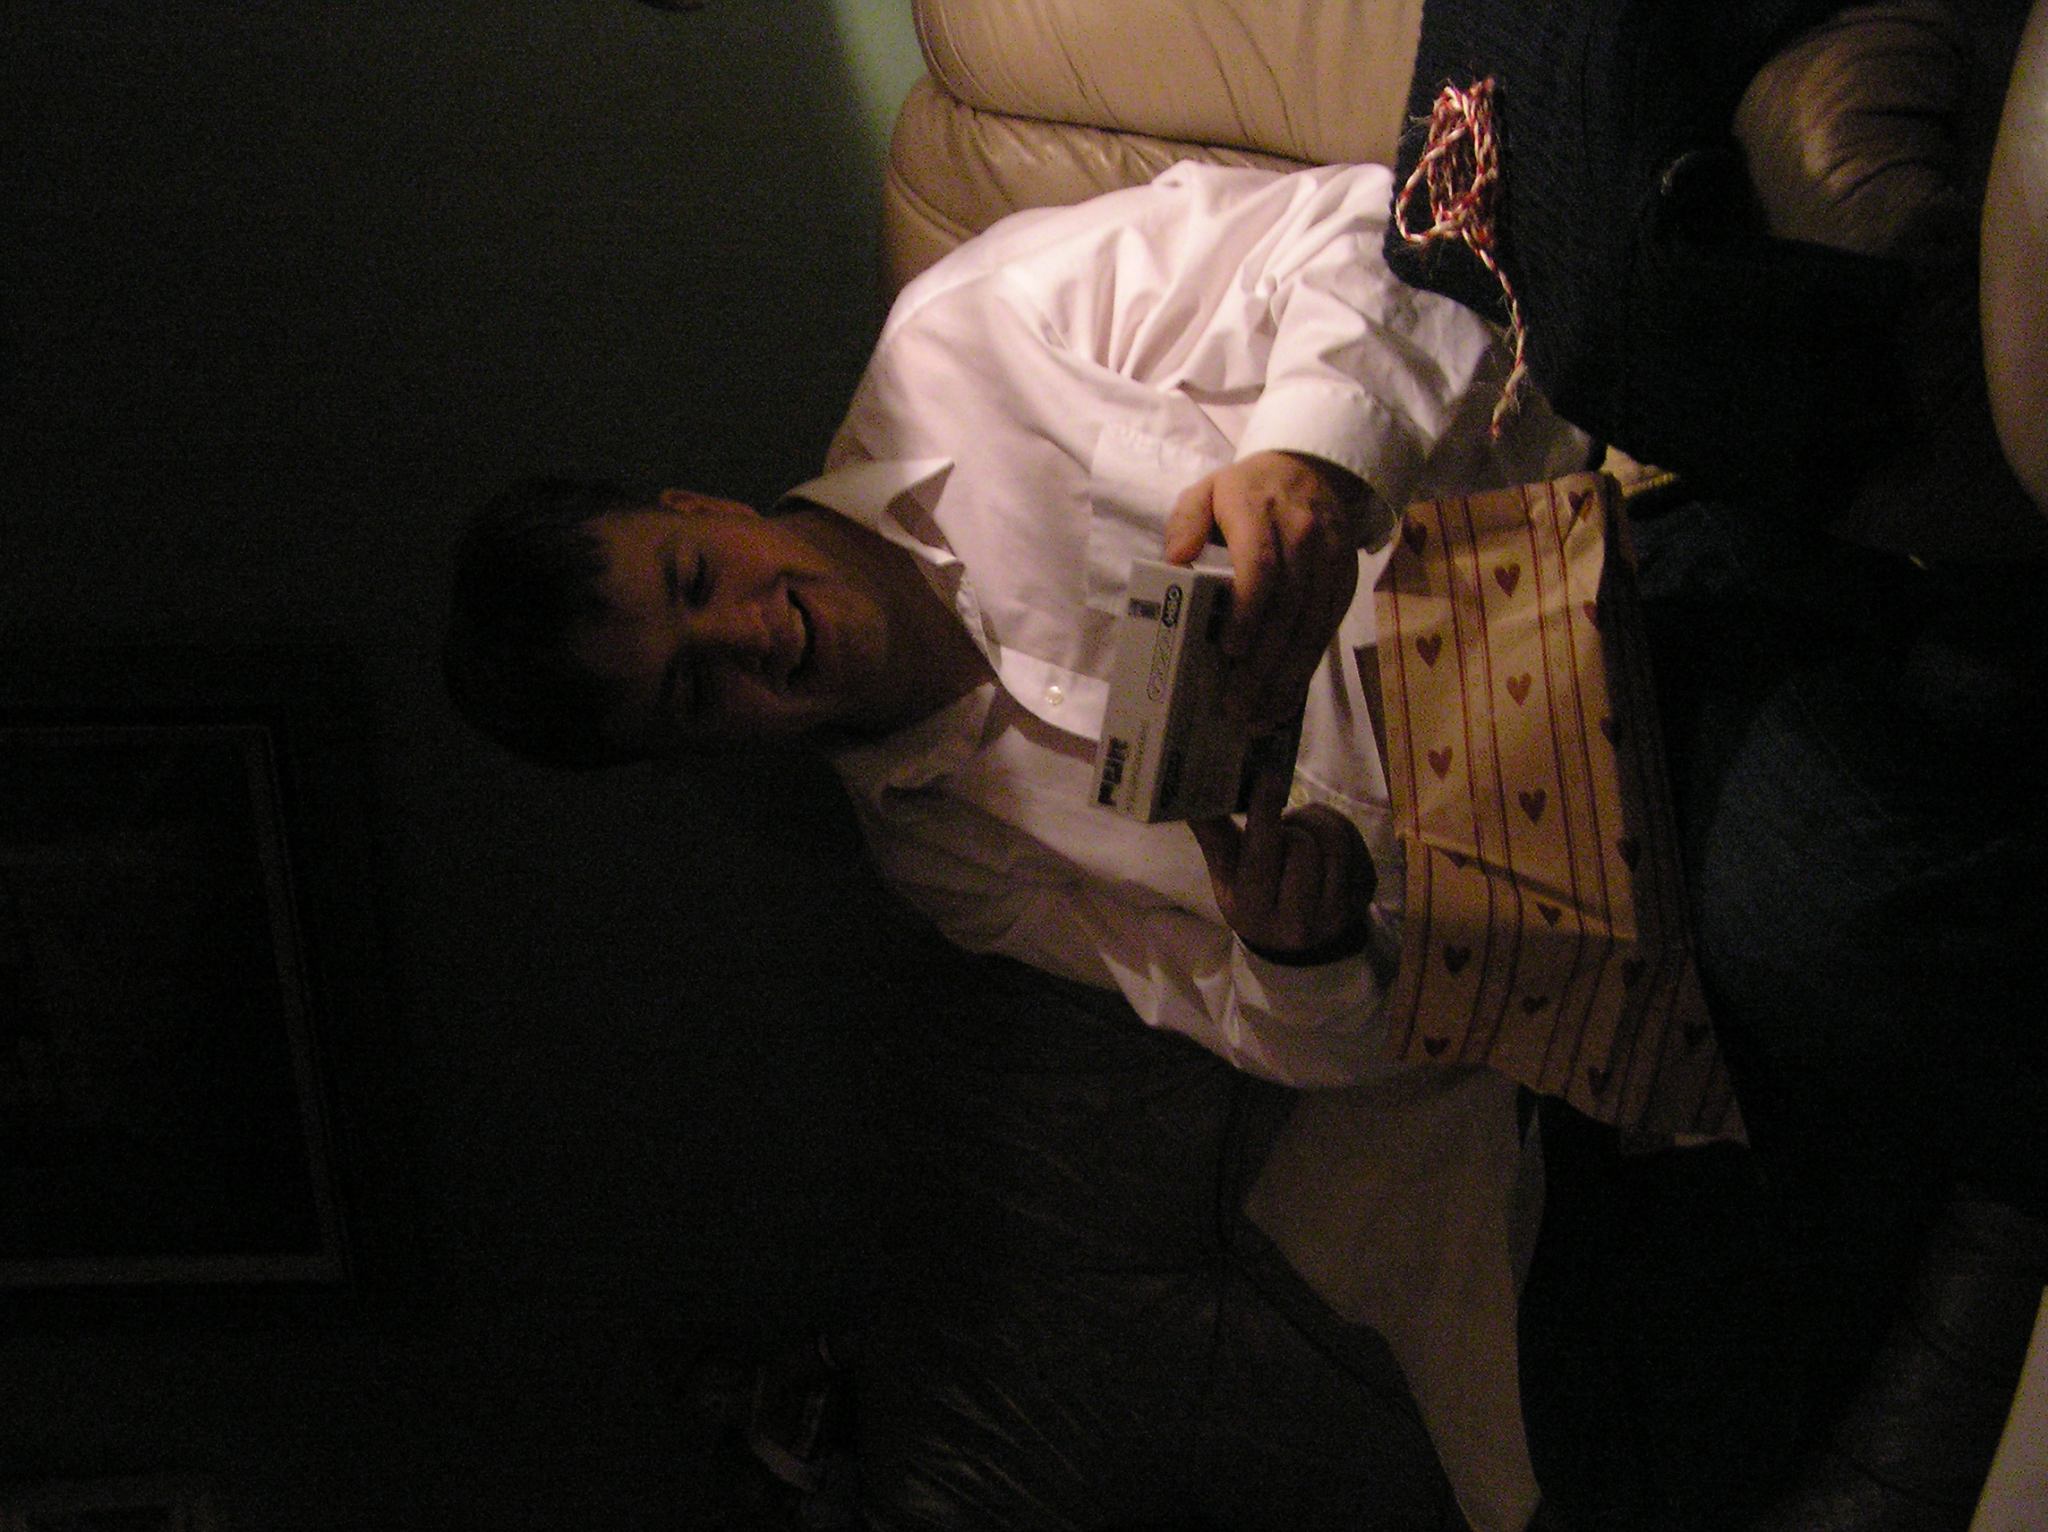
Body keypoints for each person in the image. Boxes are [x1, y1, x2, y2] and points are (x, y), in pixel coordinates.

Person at [445, 158, 1589, 1089]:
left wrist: (1310, 458)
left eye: (693, 579)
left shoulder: (966, 340)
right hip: (1573, 914)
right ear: (704, 749)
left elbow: (1379, 221)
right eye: (694, 690)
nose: (742, 635)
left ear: (700, 507)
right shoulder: (943, 859)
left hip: (1599, 567)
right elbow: (1275, 1032)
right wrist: (1299, 953)